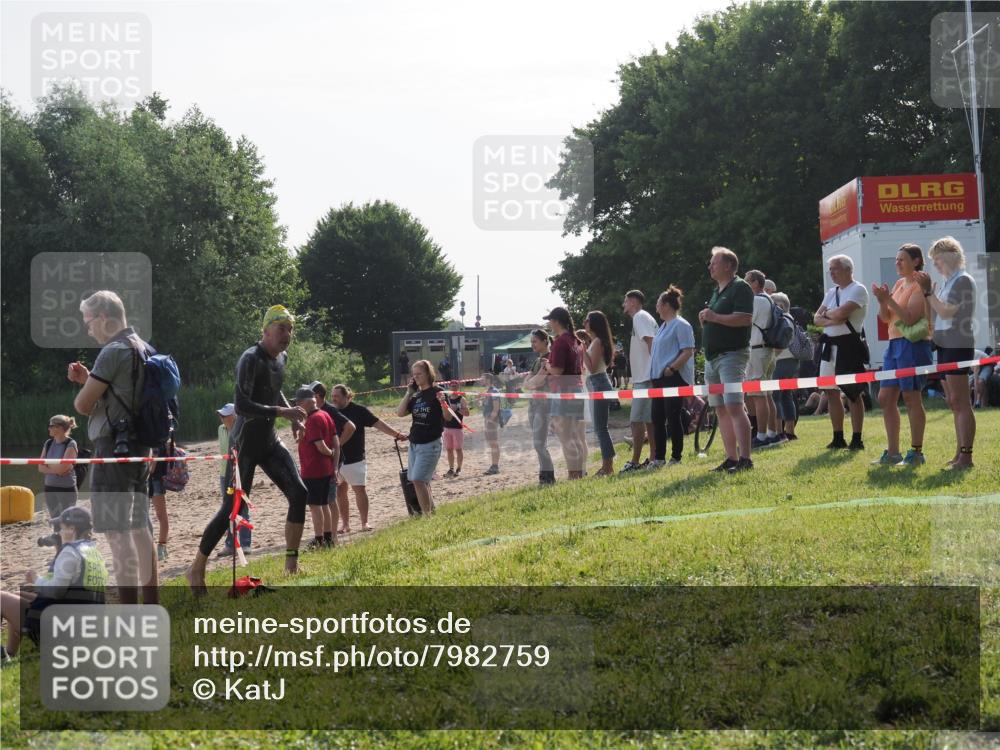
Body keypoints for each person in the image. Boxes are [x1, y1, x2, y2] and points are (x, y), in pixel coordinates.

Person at [188, 305, 309, 592]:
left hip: (268, 440)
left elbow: (272, 388)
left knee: (299, 492)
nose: (287, 335)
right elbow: (242, 406)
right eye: (282, 329)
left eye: (290, 329)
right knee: (233, 507)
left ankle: (291, 563)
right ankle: (196, 569)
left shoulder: (282, 357)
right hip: (243, 444)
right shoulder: (249, 359)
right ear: (266, 330)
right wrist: (283, 411)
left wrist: (291, 412)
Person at [67, 290, 157, 604]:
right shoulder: (144, 348)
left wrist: (84, 385)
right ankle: (151, 604)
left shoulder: (112, 350)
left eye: (89, 321)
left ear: (104, 318)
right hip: (140, 448)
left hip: (110, 450)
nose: (88, 329)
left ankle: (131, 613)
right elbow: (125, 396)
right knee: (140, 528)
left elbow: (83, 405)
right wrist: (91, 378)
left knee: (117, 534)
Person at [871, 244, 933, 467]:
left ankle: (916, 452)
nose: (897, 263)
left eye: (902, 259)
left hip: (913, 345)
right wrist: (881, 301)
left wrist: (888, 300)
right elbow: (887, 318)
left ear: (916, 261)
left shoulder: (920, 285)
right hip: (894, 344)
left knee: (911, 397)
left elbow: (908, 318)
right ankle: (893, 452)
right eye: (896, 259)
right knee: (885, 398)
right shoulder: (899, 283)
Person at [919, 236, 977, 469]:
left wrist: (927, 293)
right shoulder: (946, 283)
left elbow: (946, 312)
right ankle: (959, 453)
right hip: (945, 345)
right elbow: (933, 317)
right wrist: (928, 295)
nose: (935, 265)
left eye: (938, 259)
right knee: (953, 401)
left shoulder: (962, 280)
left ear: (951, 257)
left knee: (961, 402)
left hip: (957, 344)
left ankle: (966, 455)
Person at [698, 247, 755, 473]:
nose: (710, 266)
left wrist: (714, 317)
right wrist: (708, 320)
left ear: (728, 266)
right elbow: (720, 320)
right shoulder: (718, 290)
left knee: (733, 405)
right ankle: (731, 458)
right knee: (720, 408)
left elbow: (744, 319)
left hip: (731, 355)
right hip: (713, 358)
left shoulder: (741, 287)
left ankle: (745, 459)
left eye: (714, 262)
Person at [21, 506, 109, 643]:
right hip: (90, 621)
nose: (59, 532)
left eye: (62, 528)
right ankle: (9, 652)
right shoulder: (93, 551)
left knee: (3, 598)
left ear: (72, 529)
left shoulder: (70, 552)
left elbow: (56, 592)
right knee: (19, 596)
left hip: (69, 626)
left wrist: (36, 579)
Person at [330, 384, 408, 531]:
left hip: (356, 458)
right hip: (336, 460)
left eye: (337, 397)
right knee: (340, 492)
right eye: (332, 396)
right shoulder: (330, 411)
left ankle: (364, 522)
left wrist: (397, 434)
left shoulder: (359, 411)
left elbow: (378, 424)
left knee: (359, 490)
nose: (334, 399)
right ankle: (345, 524)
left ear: (347, 396)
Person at [814, 254, 869, 451]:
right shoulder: (831, 292)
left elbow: (840, 314)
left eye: (835, 269)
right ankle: (838, 437)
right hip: (829, 345)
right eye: (830, 270)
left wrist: (829, 315)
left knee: (853, 393)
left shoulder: (858, 290)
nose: (832, 273)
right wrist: (832, 317)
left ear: (847, 269)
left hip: (849, 345)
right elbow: (816, 319)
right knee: (830, 391)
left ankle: (857, 438)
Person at [649, 286, 696, 467]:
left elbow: (688, 351)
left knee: (672, 415)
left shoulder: (681, 324)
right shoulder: (663, 327)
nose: (656, 308)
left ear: (666, 305)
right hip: (659, 379)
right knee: (657, 417)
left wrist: (672, 368)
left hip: (673, 377)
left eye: (658, 304)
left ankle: (676, 457)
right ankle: (659, 458)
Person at [396, 359, 450, 513]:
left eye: (419, 374)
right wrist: (409, 392)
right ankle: (431, 512)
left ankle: (428, 516)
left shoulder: (437, 392)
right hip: (415, 443)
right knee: (417, 480)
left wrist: (443, 403)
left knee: (419, 480)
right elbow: (400, 413)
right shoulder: (416, 396)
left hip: (430, 443)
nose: (416, 377)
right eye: (414, 375)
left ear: (428, 374)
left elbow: (448, 417)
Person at [543, 307, 586, 480]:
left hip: (563, 391)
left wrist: (546, 366)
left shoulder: (561, 342)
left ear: (556, 321)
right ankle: (578, 474)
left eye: (550, 320)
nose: (549, 324)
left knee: (566, 438)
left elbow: (558, 370)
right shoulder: (575, 341)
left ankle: (573, 476)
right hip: (576, 389)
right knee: (574, 437)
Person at [294, 386, 338, 548]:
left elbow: (320, 446)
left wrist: (330, 454)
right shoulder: (324, 414)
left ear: (303, 403)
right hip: (325, 468)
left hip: (314, 469)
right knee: (324, 504)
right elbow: (334, 440)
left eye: (298, 404)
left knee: (315, 506)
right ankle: (328, 538)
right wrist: (333, 456)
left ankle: (319, 539)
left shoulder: (312, 420)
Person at [621, 290, 658, 472]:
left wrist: (653, 369)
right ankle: (652, 458)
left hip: (646, 377)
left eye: (626, 301)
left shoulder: (639, 317)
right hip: (646, 376)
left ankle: (635, 461)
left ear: (634, 302)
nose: (624, 305)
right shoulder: (644, 317)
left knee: (636, 420)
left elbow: (651, 342)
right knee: (649, 421)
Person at [745, 269, 781, 449]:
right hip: (767, 351)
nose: (745, 284)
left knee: (759, 396)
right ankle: (772, 433)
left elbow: (745, 321)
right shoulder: (768, 299)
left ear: (756, 283)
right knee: (767, 395)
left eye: (748, 281)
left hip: (757, 351)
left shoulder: (756, 300)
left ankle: (760, 436)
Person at [582, 311, 617, 475]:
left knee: (601, 428)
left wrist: (582, 351)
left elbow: (593, 368)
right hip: (596, 384)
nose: (584, 323)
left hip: (598, 383)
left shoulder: (597, 342)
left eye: (587, 320)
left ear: (594, 323)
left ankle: (608, 467)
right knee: (600, 428)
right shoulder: (596, 341)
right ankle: (607, 465)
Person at [215, 403, 251, 558]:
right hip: (225, 475)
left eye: (225, 415)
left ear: (234, 416)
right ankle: (229, 544)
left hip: (240, 474)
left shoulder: (243, 430)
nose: (222, 418)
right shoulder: (220, 430)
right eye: (221, 415)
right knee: (227, 510)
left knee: (242, 509)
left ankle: (245, 544)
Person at [523, 328, 555, 485]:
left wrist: (532, 382)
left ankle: (548, 477)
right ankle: (545, 476)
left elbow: (538, 381)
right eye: (531, 342)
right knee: (538, 443)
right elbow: (527, 384)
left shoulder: (549, 359)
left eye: (535, 341)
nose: (532, 344)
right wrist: (532, 382)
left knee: (539, 443)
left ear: (544, 341)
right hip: (533, 404)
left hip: (544, 405)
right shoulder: (537, 361)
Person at [770, 293, 800, 440]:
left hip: (780, 360)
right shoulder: (790, 318)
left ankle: (778, 432)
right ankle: (790, 431)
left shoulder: (781, 319)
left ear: (781, 305)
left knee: (775, 396)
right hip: (792, 361)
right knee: (787, 396)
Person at [38, 415, 79, 519]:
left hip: (66, 488)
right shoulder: (48, 443)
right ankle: (57, 535)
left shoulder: (71, 443)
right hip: (49, 487)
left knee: (68, 520)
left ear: (60, 428)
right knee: (55, 519)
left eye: (51, 426)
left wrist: (49, 466)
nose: (48, 428)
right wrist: (57, 469)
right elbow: (40, 467)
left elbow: (62, 469)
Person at [441, 386, 469, 479]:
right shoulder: (447, 398)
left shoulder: (462, 399)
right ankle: (451, 468)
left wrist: (457, 408)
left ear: (458, 388)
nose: (453, 389)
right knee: (449, 449)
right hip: (447, 428)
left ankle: (459, 469)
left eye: (455, 386)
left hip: (457, 428)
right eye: (452, 386)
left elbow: (467, 413)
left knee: (458, 449)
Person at [481, 372, 504, 474]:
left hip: (492, 420)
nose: (481, 380)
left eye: (483, 378)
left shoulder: (494, 391)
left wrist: (490, 421)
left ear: (488, 380)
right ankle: (494, 465)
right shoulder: (488, 390)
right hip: (488, 419)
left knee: (494, 443)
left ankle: (495, 466)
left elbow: (496, 409)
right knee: (491, 443)